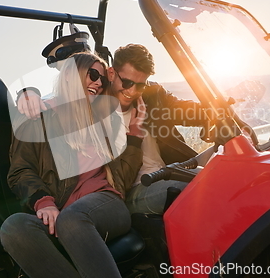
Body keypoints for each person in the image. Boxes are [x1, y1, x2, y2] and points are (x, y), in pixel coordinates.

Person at [17, 43, 213, 215]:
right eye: (126, 83)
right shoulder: (93, 104)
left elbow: (185, 110)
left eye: (140, 85)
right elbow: (60, 102)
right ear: (111, 73)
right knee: (199, 187)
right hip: (130, 189)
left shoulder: (152, 97)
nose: (132, 91)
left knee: (219, 176)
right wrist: (28, 93)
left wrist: (214, 117)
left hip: (168, 172)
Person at [0, 52, 146, 278]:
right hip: (61, 210)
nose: (98, 82)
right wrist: (43, 202)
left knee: (72, 220)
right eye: (93, 74)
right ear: (68, 75)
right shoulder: (38, 117)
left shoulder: (107, 118)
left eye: (102, 79)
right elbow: (20, 171)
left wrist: (135, 137)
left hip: (105, 204)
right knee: (14, 227)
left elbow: (122, 179)